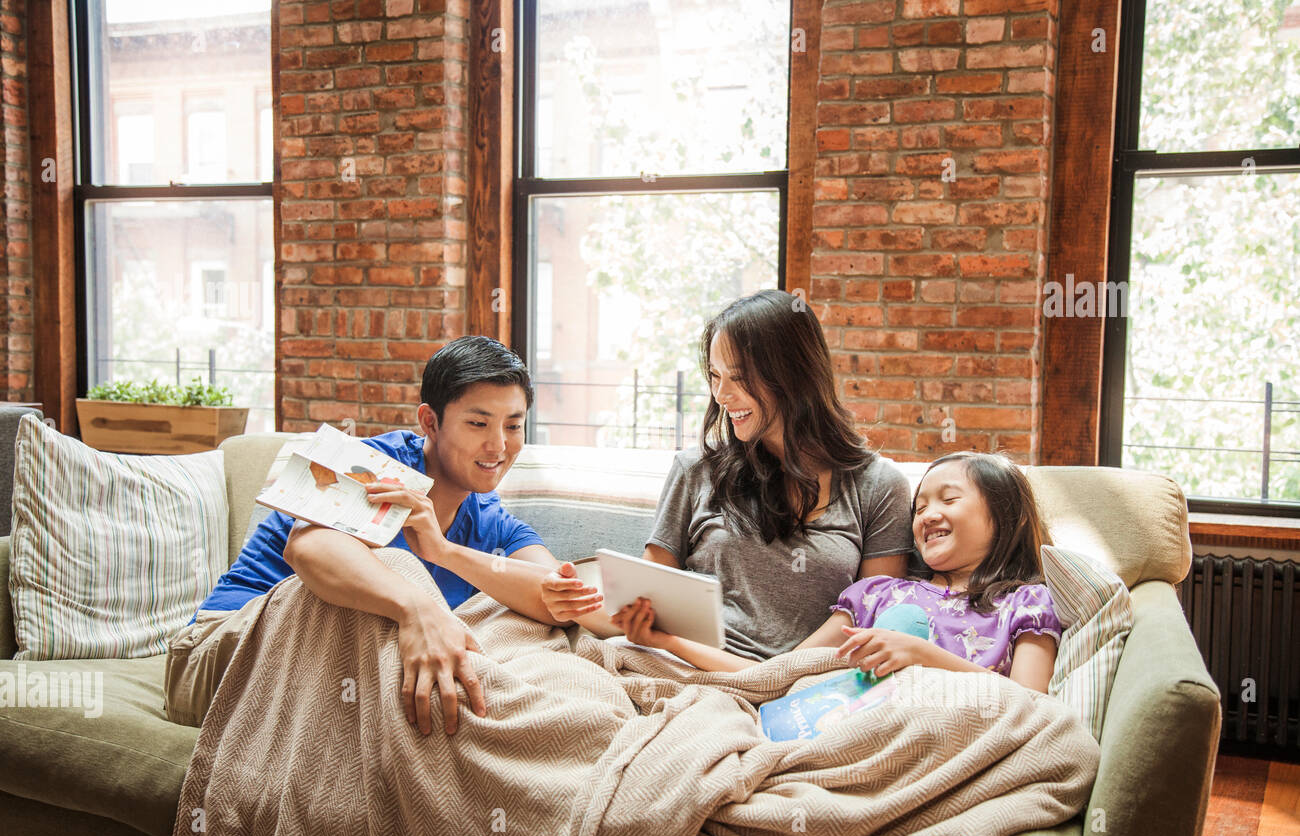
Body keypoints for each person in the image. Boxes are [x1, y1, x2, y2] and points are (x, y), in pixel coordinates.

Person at [163, 336, 575, 736]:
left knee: (515, 633)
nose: (498, 445)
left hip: (320, 673)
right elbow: (308, 548)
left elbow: (557, 596)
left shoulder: (491, 519)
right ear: (430, 422)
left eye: (514, 425)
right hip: (218, 656)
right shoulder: (370, 465)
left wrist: (445, 551)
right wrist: (419, 609)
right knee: (394, 572)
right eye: (478, 423)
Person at [540, 288, 915, 662]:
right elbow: (643, 602)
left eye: (738, 377)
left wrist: (772, 680)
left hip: (800, 682)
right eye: (715, 376)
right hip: (680, 666)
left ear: (794, 374)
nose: (720, 395)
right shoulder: (695, 469)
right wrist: (572, 603)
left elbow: (873, 613)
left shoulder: (878, 486)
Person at [617, 451, 1063, 694]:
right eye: (920, 505)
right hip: (851, 730)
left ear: (1005, 516)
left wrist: (922, 655)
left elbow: (1031, 706)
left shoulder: (1026, 603)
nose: (927, 514)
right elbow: (779, 676)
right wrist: (662, 640)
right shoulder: (876, 595)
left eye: (948, 499)